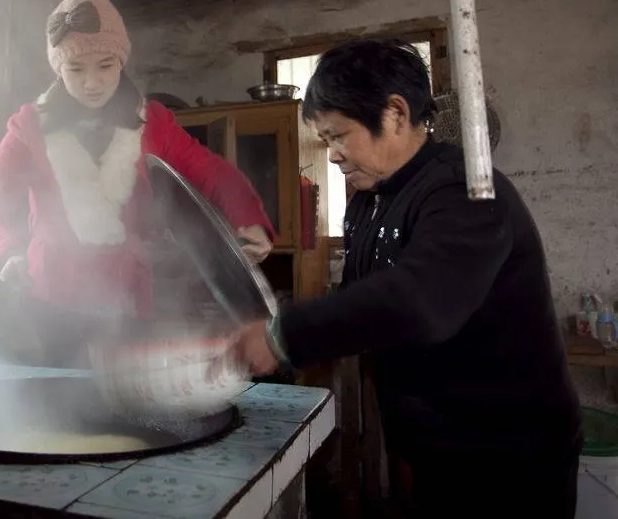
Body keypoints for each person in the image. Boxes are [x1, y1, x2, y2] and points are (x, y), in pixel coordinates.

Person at [227, 39, 582, 518]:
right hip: (432, 441)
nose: (331, 155)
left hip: (507, 455)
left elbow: (419, 300)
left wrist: (282, 336)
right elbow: (361, 299)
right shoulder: (370, 198)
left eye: (338, 136)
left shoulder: (466, 190)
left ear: (394, 114)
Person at [0, 0, 273, 319]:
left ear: (121, 63)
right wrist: (3, 253)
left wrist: (249, 218)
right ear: (58, 69)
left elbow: (212, 172)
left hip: (130, 301)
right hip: (51, 302)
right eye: (75, 69)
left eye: (105, 66)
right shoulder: (29, 127)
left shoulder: (152, 122)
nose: (91, 82)